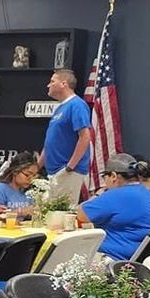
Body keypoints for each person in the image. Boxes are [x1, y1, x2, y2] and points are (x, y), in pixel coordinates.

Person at [80, 153, 150, 260]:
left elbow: (81, 215)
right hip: (143, 260)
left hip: (114, 260)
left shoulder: (117, 196)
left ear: (113, 176)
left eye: (104, 177)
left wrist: (100, 193)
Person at [42, 68, 93, 203]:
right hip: (54, 171)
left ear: (63, 84)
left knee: (61, 216)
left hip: (67, 171)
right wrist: (38, 165)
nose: (49, 85)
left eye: (52, 81)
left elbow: (85, 136)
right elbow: (51, 140)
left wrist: (70, 166)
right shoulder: (60, 108)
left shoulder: (77, 105)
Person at [0, 151, 41, 216]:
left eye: (34, 176)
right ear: (15, 171)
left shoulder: (30, 192)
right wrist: (21, 211)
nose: (31, 179)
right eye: (27, 175)